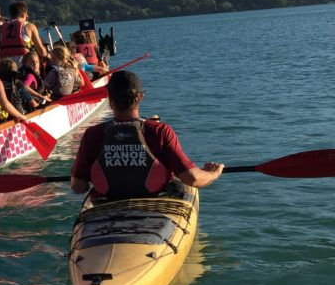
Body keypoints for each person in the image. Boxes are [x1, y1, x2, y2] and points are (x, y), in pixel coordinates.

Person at [71, 71, 224, 200]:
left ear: (110, 100)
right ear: (140, 97)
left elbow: (78, 187)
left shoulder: (93, 134)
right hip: (154, 203)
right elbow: (192, 179)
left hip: (106, 204)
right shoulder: (160, 131)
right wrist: (213, 173)